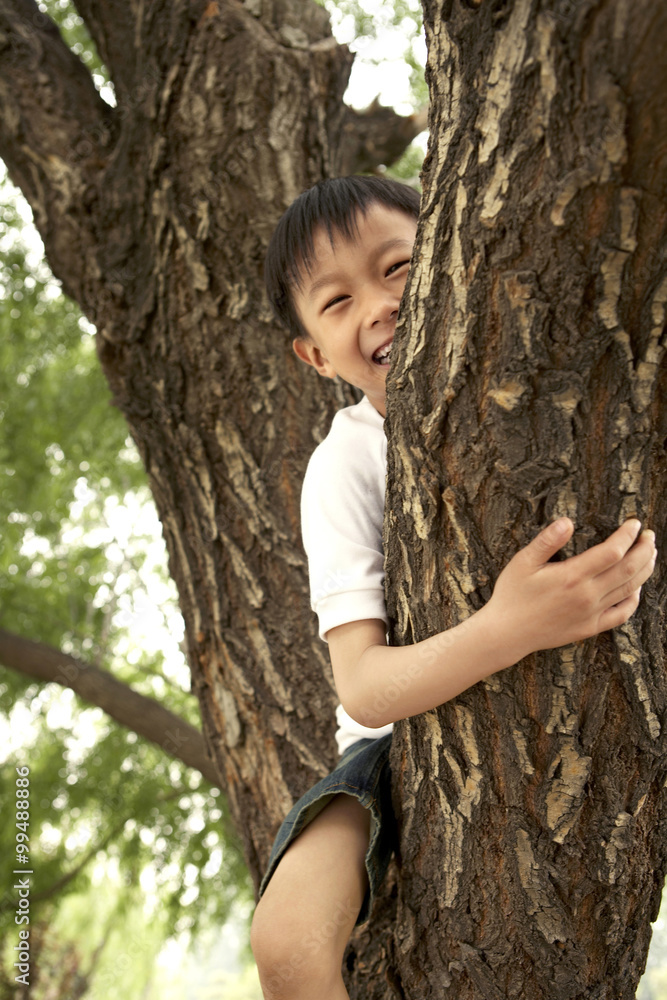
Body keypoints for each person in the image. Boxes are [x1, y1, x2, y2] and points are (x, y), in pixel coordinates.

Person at [250, 176, 657, 1000]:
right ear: (314, 355)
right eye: (336, 300)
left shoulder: (568, 376)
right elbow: (363, 688)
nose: (378, 304)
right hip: (398, 751)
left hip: (625, 686)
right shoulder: (346, 463)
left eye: (397, 267)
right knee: (288, 944)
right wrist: (509, 627)